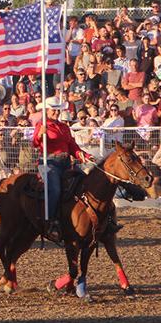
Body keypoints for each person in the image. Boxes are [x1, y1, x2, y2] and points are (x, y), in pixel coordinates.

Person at [33, 97, 93, 242]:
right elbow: (35, 143)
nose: (56, 112)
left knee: (85, 182)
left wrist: (82, 154)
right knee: (55, 189)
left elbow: (71, 145)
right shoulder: (41, 125)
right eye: (53, 110)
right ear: (46, 111)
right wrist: (40, 134)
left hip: (65, 162)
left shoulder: (64, 127)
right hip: (48, 162)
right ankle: (50, 222)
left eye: (57, 110)